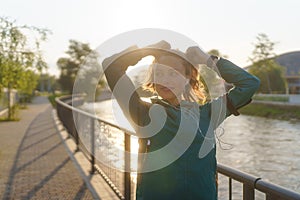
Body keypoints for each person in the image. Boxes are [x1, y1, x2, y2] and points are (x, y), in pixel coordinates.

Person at [102, 41, 260, 200]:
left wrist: (209, 60)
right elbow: (110, 66)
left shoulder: (207, 114)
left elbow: (250, 84)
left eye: (173, 73)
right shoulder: (142, 113)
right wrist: (148, 50)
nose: (165, 80)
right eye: (160, 73)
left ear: (187, 76)